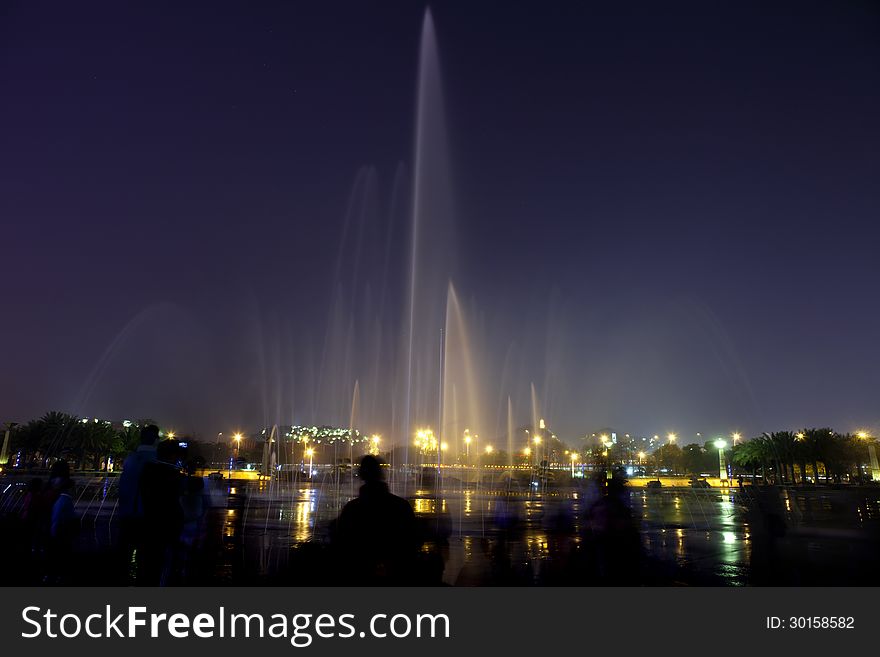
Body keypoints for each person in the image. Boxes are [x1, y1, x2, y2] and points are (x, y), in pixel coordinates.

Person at [335, 455, 421, 584]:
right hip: (396, 576)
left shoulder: (353, 509)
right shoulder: (401, 506)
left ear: (361, 475)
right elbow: (413, 540)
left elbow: (342, 542)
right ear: (381, 474)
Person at [116, 424, 159, 583]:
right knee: (147, 561)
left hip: (126, 514)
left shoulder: (130, 460)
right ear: (155, 440)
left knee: (124, 556)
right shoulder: (156, 461)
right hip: (147, 517)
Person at [138, 439, 184, 586]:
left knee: (148, 568)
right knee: (163, 568)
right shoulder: (170, 475)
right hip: (166, 527)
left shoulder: (148, 470)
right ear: (173, 455)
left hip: (148, 525)